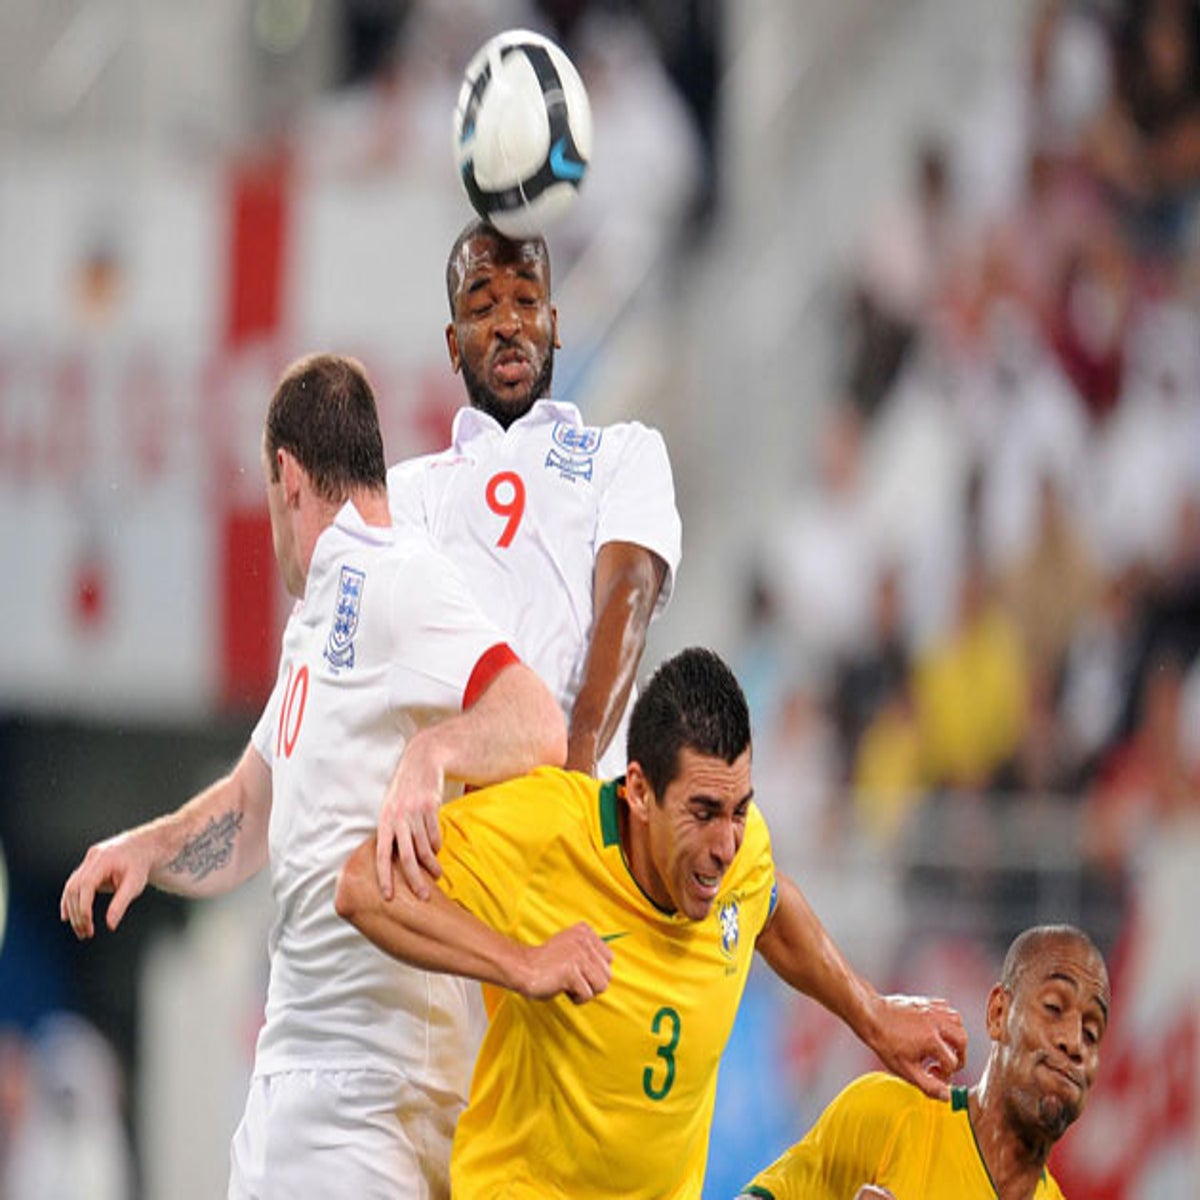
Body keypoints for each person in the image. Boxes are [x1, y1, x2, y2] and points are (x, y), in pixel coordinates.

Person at [60, 353, 567, 1200]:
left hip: (365, 1088)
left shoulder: (398, 579)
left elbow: (535, 720)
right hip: (314, 1085)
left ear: (286, 476)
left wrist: (428, 757)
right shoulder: (320, 615)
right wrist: (146, 847)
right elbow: (251, 814)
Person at [335, 646, 968, 1199]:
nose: (726, 844)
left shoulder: (740, 855)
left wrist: (872, 1014)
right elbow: (366, 885)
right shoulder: (549, 831)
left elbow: (769, 905)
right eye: (704, 811)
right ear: (638, 791)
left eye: (740, 810)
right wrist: (520, 962)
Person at [383, 218, 682, 895]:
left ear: (555, 322)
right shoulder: (411, 491)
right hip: (469, 851)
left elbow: (627, 592)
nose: (510, 323)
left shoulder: (625, 452)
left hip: (596, 829)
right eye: (484, 307)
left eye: (526, 301)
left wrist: (575, 774)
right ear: (455, 345)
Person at [738, 923, 1110, 1200]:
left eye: (1092, 1032)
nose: (1074, 1042)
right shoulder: (891, 1118)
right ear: (998, 1013)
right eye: (1054, 1008)